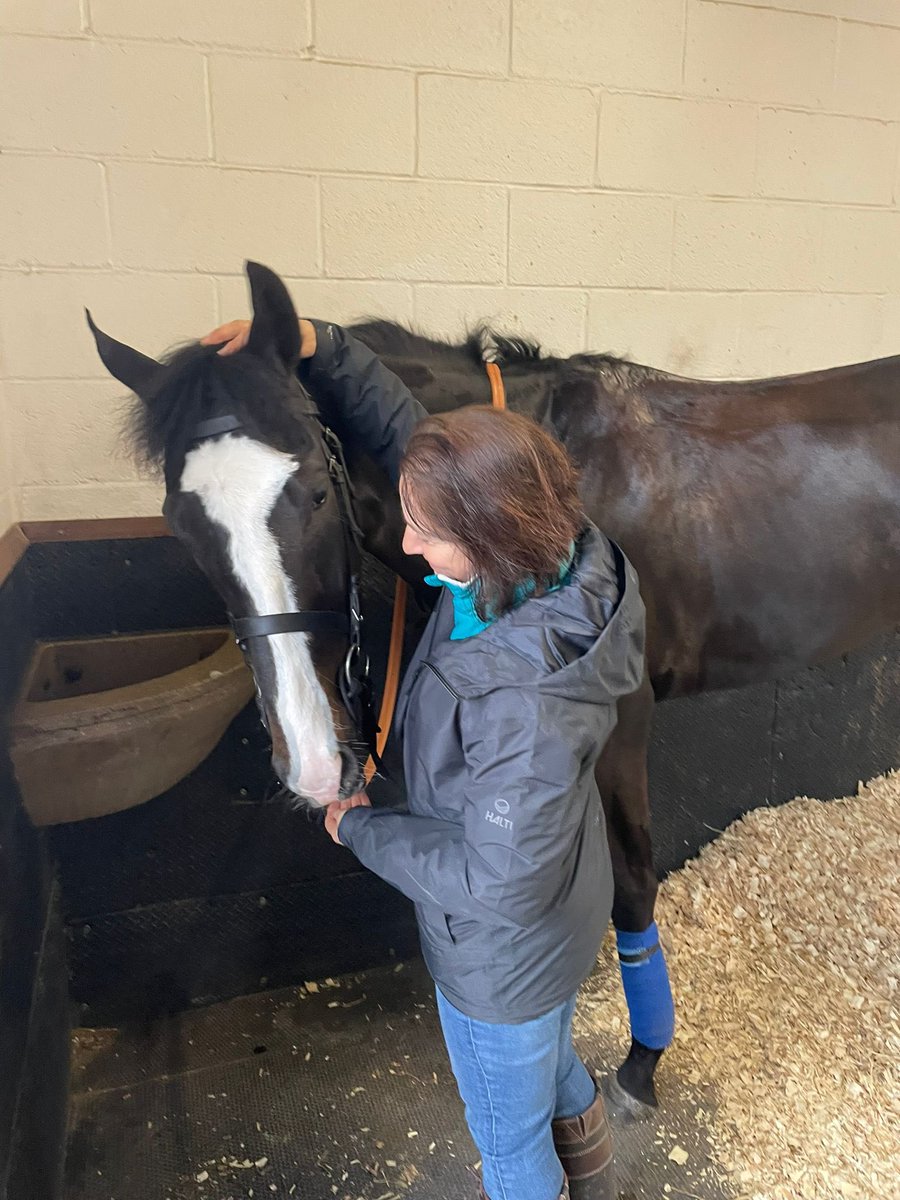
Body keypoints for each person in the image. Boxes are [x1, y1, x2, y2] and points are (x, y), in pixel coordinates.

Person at [202, 315, 646, 1200]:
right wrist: (318, 345)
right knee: (555, 1066)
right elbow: (425, 441)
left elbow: (497, 884)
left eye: (423, 531)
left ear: (483, 532)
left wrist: (362, 830)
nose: (406, 546)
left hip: (501, 956)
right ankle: (595, 1175)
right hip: (566, 912)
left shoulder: (520, 703)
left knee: (507, 1139)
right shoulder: (551, 552)